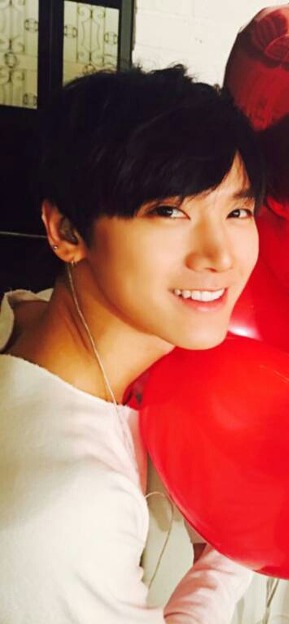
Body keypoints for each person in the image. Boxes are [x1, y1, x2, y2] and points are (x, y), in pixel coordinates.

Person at [0, 65, 265, 623]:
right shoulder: (74, 508)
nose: (220, 254)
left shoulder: (20, 315)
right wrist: (232, 553)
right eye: (169, 211)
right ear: (67, 232)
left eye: (238, 211)